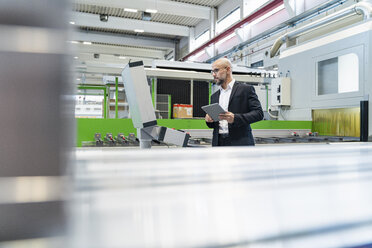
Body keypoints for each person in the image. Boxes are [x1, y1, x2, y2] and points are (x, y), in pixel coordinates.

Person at [205, 58, 263, 146]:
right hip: (218, 142)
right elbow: (214, 125)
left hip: (240, 142)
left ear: (228, 69)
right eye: (212, 71)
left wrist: (235, 118)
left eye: (216, 70)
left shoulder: (245, 89)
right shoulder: (214, 96)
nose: (213, 74)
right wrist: (209, 120)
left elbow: (259, 114)